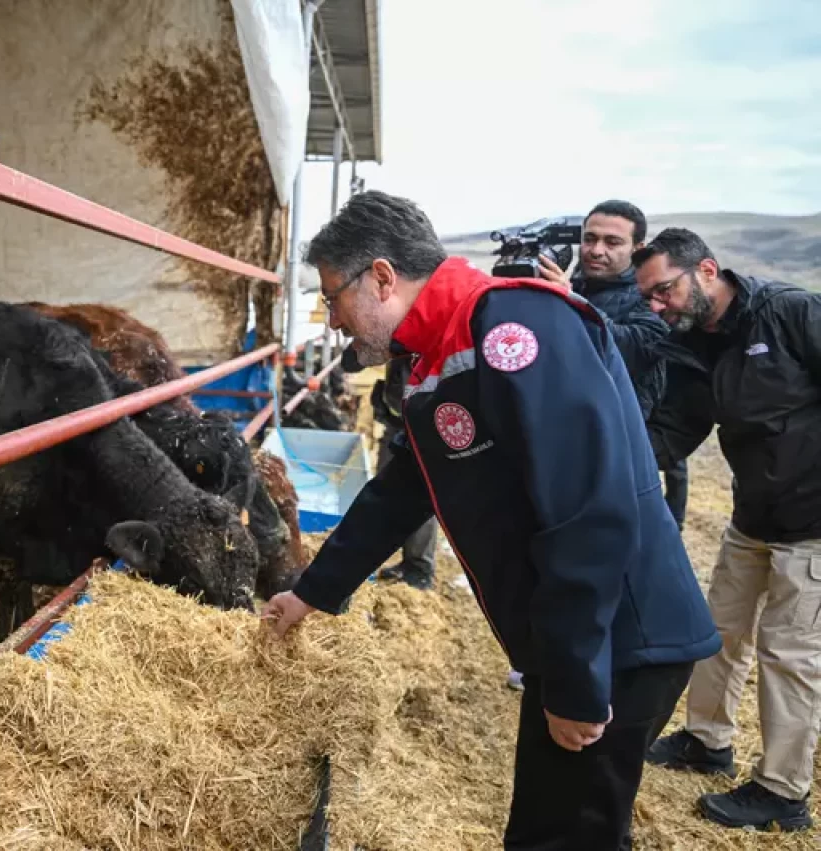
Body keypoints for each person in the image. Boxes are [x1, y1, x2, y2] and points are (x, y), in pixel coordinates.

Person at [261, 191, 721, 850]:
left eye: (333, 297)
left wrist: (574, 681)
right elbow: (405, 488)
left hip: (618, 636)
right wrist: (311, 592)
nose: (332, 321)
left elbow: (587, 509)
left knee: (566, 836)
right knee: (550, 829)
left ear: (382, 277)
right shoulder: (437, 352)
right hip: (578, 636)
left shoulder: (515, 330)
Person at [636, 228, 820, 833]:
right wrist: (613, 469)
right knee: (717, 631)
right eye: (648, 297)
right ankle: (706, 740)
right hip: (753, 516)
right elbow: (677, 427)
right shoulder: (693, 342)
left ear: (707, 271)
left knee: (788, 654)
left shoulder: (789, 313)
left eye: (663, 290)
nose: (657, 305)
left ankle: (782, 792)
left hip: (813, 523)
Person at [537, 199, 689, 530]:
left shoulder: (652, 295)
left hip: (625, 450)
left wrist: (571, 301)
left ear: (638, 249)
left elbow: (634, 347)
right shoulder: (575, 284)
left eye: (612, 242)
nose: (596, 250)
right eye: (590, 239)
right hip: (569, 443)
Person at [368, 356, 439, 590]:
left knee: (419, 494)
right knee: (388, 491)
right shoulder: (397, 345)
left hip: (419, 426)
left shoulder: (421, 345)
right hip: (397, 421)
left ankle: (420, 568)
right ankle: (409, 562)